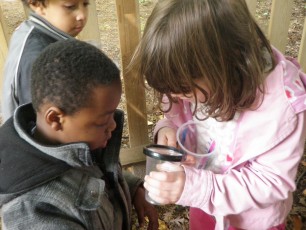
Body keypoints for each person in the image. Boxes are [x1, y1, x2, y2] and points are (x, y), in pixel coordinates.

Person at [129, 0, 306, 229]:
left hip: (252, 220)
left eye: (182, 90)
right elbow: (179, 117)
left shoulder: (283, 107)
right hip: (203, 206)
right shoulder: (192, 79)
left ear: (224, 66)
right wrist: (167, 128)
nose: (176, 97)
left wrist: (199, 188)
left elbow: (270, 182)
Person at [0, 39, 158, 230]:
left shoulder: (81, 141)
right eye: (103, 121)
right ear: (56, 119)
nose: (114, 125)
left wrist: (133, 189)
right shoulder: (34, 209)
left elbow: (97, 173)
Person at [1, 0, 89, 121]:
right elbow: (39, 124)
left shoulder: (36, 30)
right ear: (36, 4)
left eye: (85, 4)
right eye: (70, 7)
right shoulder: (36, 59)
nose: (82, 15)